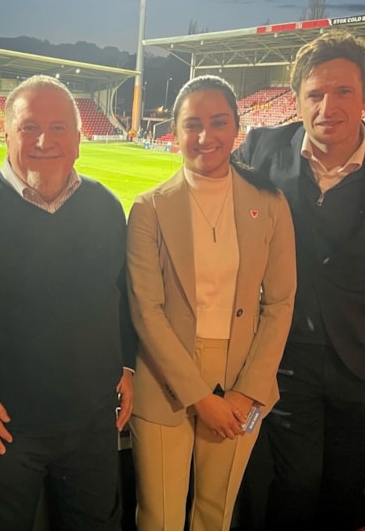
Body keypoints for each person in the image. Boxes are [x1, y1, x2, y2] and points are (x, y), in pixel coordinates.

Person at [235, 30, 365, 530]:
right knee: (294, 484)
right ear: (297, 98)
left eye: (343, 91)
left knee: (344, 488)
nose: (328, 105)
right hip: (285, 358)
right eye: (315, 93)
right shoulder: (261, 149)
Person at [0, 75, 138, 531]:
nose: (44, 140)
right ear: (6, 133)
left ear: (79, 139)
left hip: (92, 420)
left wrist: (128, 365)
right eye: (29, 127)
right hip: (3, 425)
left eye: (59, 128)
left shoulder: (105, 205)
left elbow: (120, 294)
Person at [126, 75, 296, 531]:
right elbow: (147, 310)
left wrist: (245, 392)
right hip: (166, 380)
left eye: (218, 122)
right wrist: (202, 398)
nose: (206, 137)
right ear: (176, 131)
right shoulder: (149, 208)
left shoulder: (270, 202)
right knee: (159, 518)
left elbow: (280, 303)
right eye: (192, 124)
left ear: (236, 127)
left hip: (247, 380)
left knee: (216, 515)